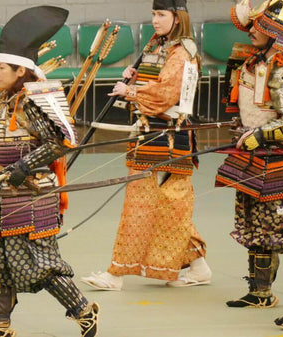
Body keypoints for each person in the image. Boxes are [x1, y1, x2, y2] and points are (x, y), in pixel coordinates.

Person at [0, 6, 99, 337]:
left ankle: (83, 310)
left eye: (1, 68)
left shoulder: (32, 101)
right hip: (2, 193)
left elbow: (60, 142)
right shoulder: (3, 100)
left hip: (32, 194)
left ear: (19, 71)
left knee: (37, 264)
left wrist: (23, 165)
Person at [81, 0, 211, 291]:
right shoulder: (158, 46)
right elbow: (156, 81)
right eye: (153, 13)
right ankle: (199, 268)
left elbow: (166, 93)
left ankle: (115, 275)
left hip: (168, 137)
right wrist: (137, 78)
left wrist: (131, 91)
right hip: (150, 133)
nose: (155, 20)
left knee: (141, 205)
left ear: (177, 18)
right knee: (168, 210)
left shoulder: (183, 52)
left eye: (161, 14)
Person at [216, 0, 283, 309]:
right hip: (253, 156)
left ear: (274, 33)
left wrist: (258, 135)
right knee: (254, 224)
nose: (253, 31)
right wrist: (244, 131)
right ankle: (260, 292)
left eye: (261, 26)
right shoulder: (251, 62)